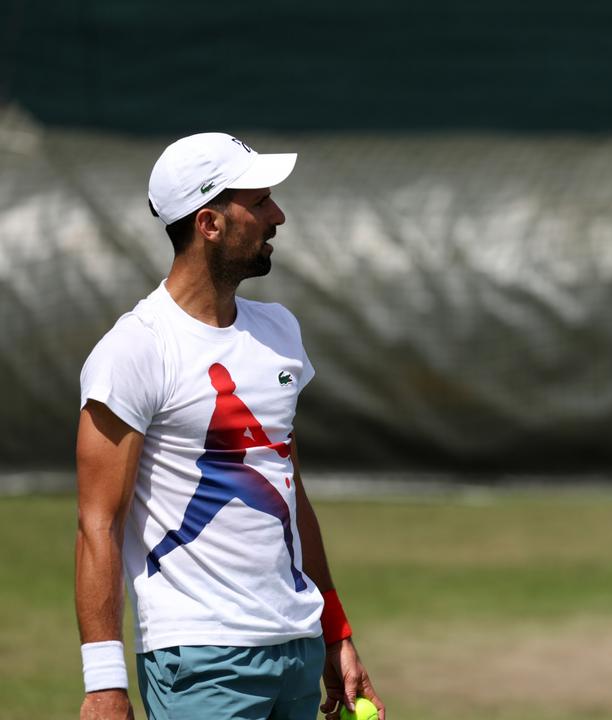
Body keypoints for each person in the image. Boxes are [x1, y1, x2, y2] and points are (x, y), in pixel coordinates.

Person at [75, 132, 386, 720]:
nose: (279, 216)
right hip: (199, 659)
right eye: (260, 202)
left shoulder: (280, 331)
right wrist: (104, 684)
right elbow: (99, 523)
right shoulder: (134, 350)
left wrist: (333, 630)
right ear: (210, 224)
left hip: (293, 647)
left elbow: (290, 497)